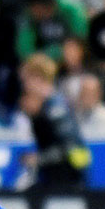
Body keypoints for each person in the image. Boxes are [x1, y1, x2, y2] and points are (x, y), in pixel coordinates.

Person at [18, 53, 90, 190]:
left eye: (26, 80)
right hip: (53, 178)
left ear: (38, 78)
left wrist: (38, 159)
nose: (24, 85)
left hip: (67, 181)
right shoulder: (43, 107)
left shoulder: (56, 108)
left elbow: (68, 148)